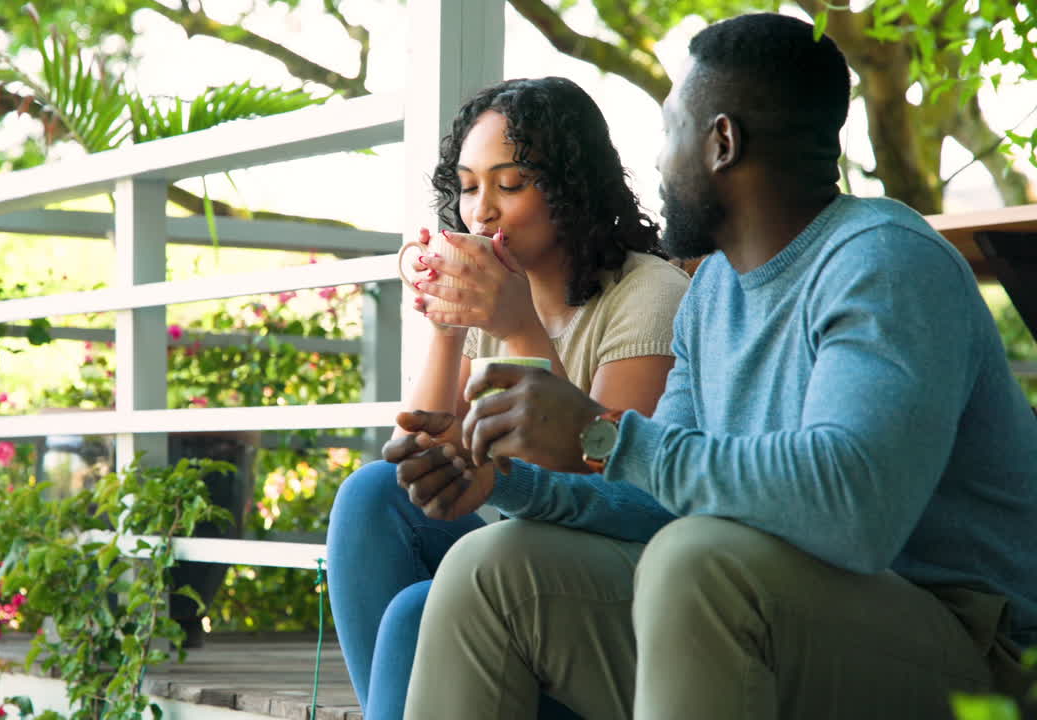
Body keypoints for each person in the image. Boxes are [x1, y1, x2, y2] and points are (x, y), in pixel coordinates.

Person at [393, 13, 1037, 720]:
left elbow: (855, 511)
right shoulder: (715, 295)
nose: (657, 162)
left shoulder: (882, 261)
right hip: (782, 614)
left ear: (722, 142)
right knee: (492, 569)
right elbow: (661, 500)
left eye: (670, 131)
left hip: (976, 652)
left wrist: (604, 435)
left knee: (698, 560)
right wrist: (508, 482)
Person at [326, 76, 690, 720]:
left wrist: (518, 327)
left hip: (606, 605)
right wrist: (447, 330)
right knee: (372, 492)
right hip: (505, 563)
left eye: (510, 184)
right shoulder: (493, 300)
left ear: (571, 187)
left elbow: (603, 488)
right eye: (468, 187)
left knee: (419, 612)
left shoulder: (649, 295)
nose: (481, 211)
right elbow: (430, 467)